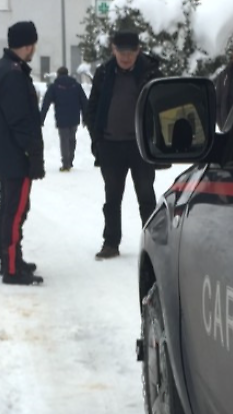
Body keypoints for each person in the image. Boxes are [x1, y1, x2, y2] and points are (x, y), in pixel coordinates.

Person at [84, 30, 163, 261]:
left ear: (138, 50)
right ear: (113, 50)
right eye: (121, 52)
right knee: (112, 198)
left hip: (141, 147)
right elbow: (93, 108)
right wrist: (97, 138)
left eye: (130, 52)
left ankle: (154, 244)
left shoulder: (150, 73)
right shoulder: (104, 73)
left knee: (146, 197)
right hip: (111, 146)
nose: (126, 57)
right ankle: (111, 243)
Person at [0, 21, 46, 285]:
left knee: (10, 210)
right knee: (15, 211)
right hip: (15, 157)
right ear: (28, 44)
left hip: (8, 156)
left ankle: (11, 259)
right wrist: (32, 153)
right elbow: (20, 120)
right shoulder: (12, 74)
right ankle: (11, 267)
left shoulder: (6, 69)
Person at [40, 66, 88, 172]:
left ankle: (65, 163)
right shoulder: (76, 85)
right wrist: (86, 117)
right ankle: (70, 160)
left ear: (58, 74)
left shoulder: (54, 86)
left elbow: (46, 103)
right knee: (72, 138)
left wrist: (41, 118)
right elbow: (84, 102)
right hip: (74, 116)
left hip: (61, 117)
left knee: (64, 139)